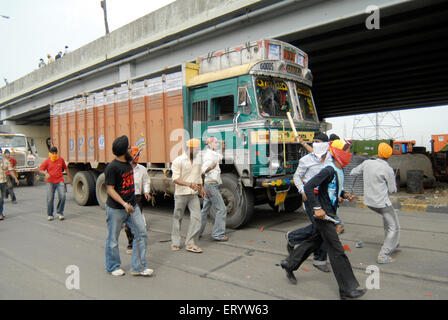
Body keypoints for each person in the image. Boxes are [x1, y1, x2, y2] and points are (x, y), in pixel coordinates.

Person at [280, 140, 367, 300]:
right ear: (338, 153)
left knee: (313, 242)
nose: (349, 154)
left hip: (330, 213)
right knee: (337, 250)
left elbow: (331, 189)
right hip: (324, 216)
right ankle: (347, 289)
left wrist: (344, 195)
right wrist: (317, 208)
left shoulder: (338, 170)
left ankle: (289, 263)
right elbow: (309, 187)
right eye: (346, 151)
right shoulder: (329, 169)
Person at [104, 136, 153, 277]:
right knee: (113, 239)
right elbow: (110, 189)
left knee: (141, 234)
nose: (132, 149)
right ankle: (112, 266)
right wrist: (124, 204)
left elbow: (137, 156)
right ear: (123, 151)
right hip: (116, 209)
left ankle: (138, 267)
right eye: (129, 147)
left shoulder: (129, 162)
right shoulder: (112, 168)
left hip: (133, 207)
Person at [287, 132, 334, 273]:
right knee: (323, 228)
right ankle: (319, 260)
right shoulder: (306, 160)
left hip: (325, 197)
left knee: (321, 228)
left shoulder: (330, 158)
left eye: (319, 142)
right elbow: (297, 176)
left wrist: (341, 193)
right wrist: (302, 191)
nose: (316, 144)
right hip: (310, 197)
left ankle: (292, 237)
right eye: (314, 142)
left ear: (326, 145)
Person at [350, 142, 400, 264]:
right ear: (389, 156)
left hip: (369, 202)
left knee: (387, 221)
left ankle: (392, 243)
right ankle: (383, 254)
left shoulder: (367, 163)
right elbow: (392, 190)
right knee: (395, 227)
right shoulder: (387, 169)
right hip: (382, 203)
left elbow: (353, 172)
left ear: (378, 152)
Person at [171, 138, 206, 253]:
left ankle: (190, 243)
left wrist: (202, 188)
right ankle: (175, 242)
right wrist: (189, 184)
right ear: (189, 149)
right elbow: (175, 179)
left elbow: (198, 176)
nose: (197, 151)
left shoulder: (197, 161)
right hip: (181, 194)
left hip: (193, 194)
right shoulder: (178, 161)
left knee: (197, 217)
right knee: (178, 218)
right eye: (196, 149)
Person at [198, 137, 228, 241]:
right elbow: (203, 170)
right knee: (222, 209)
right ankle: (218, 234)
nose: (218, 144)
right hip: (211, 186)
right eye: (216, 142)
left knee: (205, 210)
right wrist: (211, 167)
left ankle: (198, 232)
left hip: (209, 185)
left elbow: (220, 156)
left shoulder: (213, 154)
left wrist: (223, 147)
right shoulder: (208, 156)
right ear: (210, 144)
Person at [124, 146, 151, 255]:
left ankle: (138, 242)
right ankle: (130, 243)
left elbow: (146, 181)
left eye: (138, 155)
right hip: (126, 198)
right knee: (127, 224)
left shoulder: (142, 169)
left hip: (138, 198)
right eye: (135, 155)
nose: (137, 157)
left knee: (138, 222)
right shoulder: (124, 168)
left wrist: (146, 192)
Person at [39, 146, 71, 221]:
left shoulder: (61, 160)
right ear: (50, 153)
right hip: (50, 182)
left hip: (60, 181)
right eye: (52, 153)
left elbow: (66, 168)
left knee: (63, 196)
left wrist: (69, 177)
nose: (54, 154)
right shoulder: (47, 161)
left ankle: (60, 212)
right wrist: (45, 173)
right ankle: (50, 214)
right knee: (50, 198)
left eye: (55, 153)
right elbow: (40, 169)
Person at [0, 149, 19, 220]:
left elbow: (11, 170)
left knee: (1, 199)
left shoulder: (6, 161)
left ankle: (0, 213)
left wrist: (16, 178)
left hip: (3, 182)